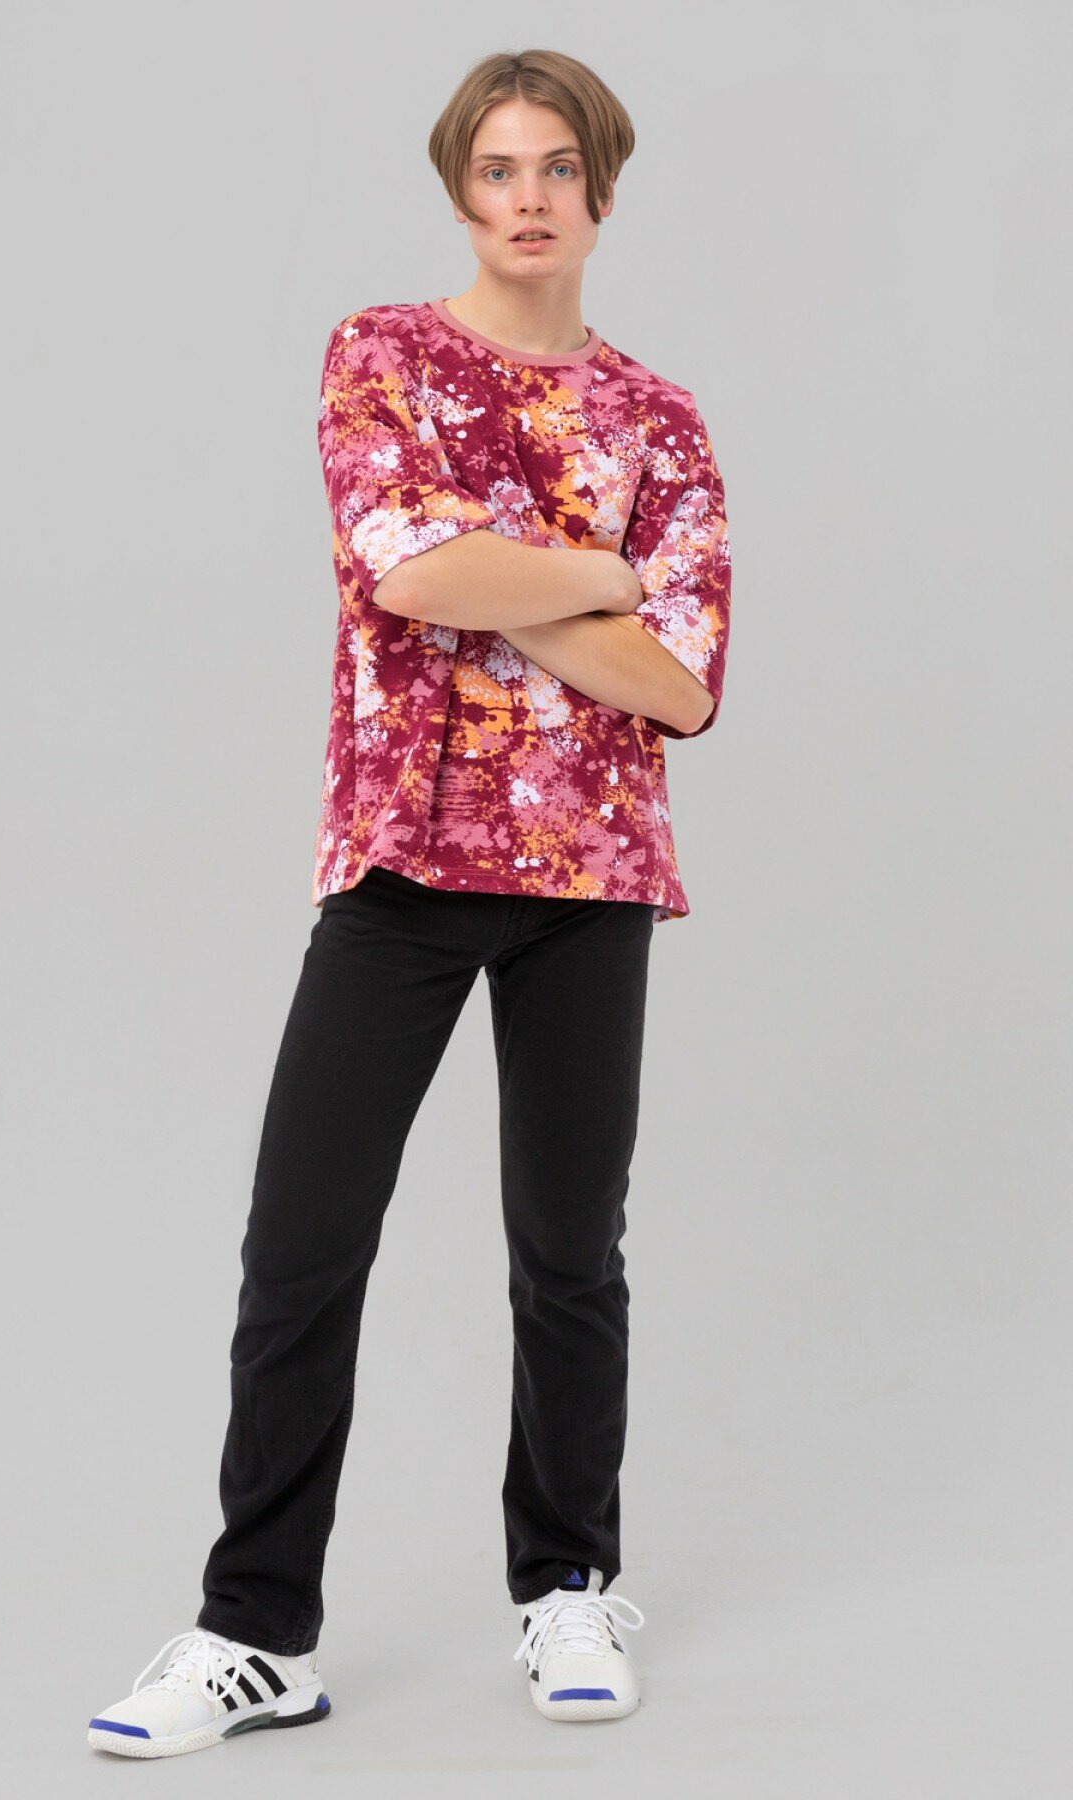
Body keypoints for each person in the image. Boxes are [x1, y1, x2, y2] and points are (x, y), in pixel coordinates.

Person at [87, 46, 731, 1757]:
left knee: (568, 1255)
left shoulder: (661, 419)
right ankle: (256, 1633)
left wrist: (488, 582)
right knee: (302, 1248)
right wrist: (599, 572)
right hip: (402, 860)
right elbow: (406, 566)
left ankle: (568, 1584)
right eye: (498, 168)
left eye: (558, 166)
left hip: (591, 877)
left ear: (603, 189)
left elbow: (679, 685)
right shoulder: (381, 355)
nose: (529, 197)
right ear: (460, 190)